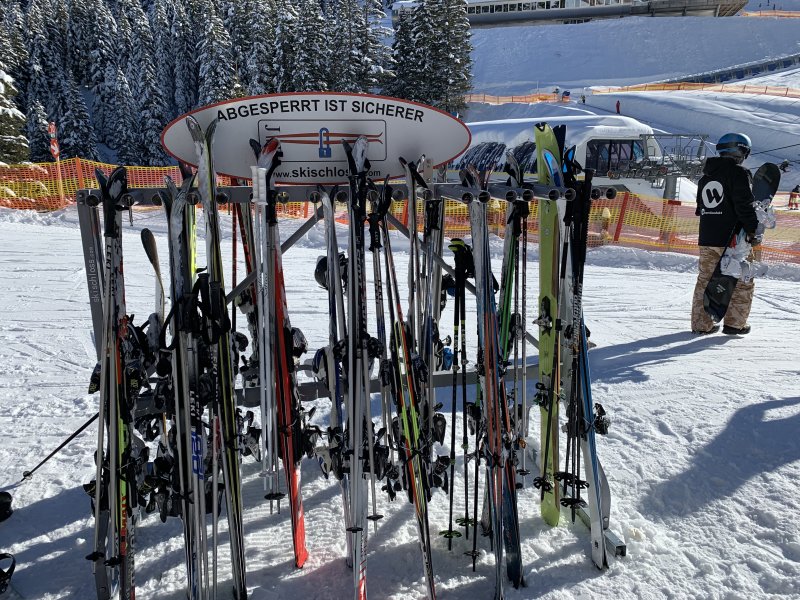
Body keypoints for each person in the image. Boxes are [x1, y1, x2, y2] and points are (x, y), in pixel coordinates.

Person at [691, 133, 760, 335]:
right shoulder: (738, 173)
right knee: (742, 279)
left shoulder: (705, 177)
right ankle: (735, 324)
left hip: (708, 237)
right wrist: (753, 229)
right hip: (734, 239)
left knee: (705, 280)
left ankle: (701, 325)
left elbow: (700, 209)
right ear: (741, 151)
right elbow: (744, 206)